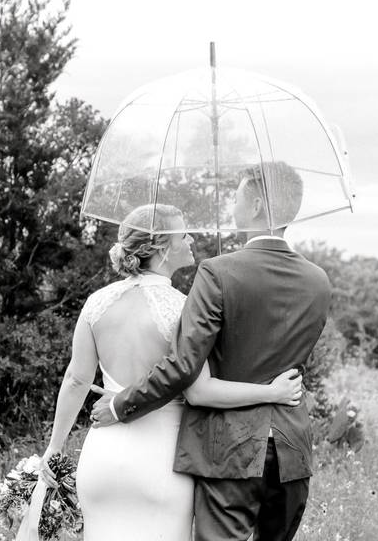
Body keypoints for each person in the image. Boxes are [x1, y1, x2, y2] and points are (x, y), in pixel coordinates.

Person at [26, 202, 305, 541]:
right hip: (161, 459)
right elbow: (200, 391)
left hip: (102, 456)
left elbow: (76, 380)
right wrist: (271, 393)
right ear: (161, 246)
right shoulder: (184, 307)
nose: (190, 239)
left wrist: (54, 449)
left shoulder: (97, 302)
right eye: (182, 233)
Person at [92, 161, 332, 541]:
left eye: (235, 197)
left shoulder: (218, 273)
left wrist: (122, 404)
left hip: (229, 452)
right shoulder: (319, 281)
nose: (230, 207)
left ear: (255, 207)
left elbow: (185, 365)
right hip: (292, 451)